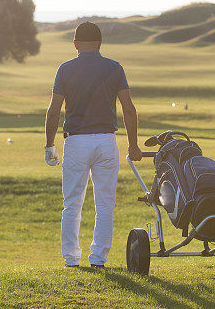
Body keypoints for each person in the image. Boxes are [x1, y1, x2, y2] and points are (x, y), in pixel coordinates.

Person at [44, 21, 142, 269]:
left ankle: (71, 259)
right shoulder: (114, 68)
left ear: (75, 44)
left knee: (72, 203)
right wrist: (133, 146)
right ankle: (98, 259)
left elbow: (54, 111)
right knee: (105, 205)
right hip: (106, 142)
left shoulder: (65, 69)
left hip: (76, 142)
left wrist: (49, 145)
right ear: (100, 44)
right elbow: (128, 109)